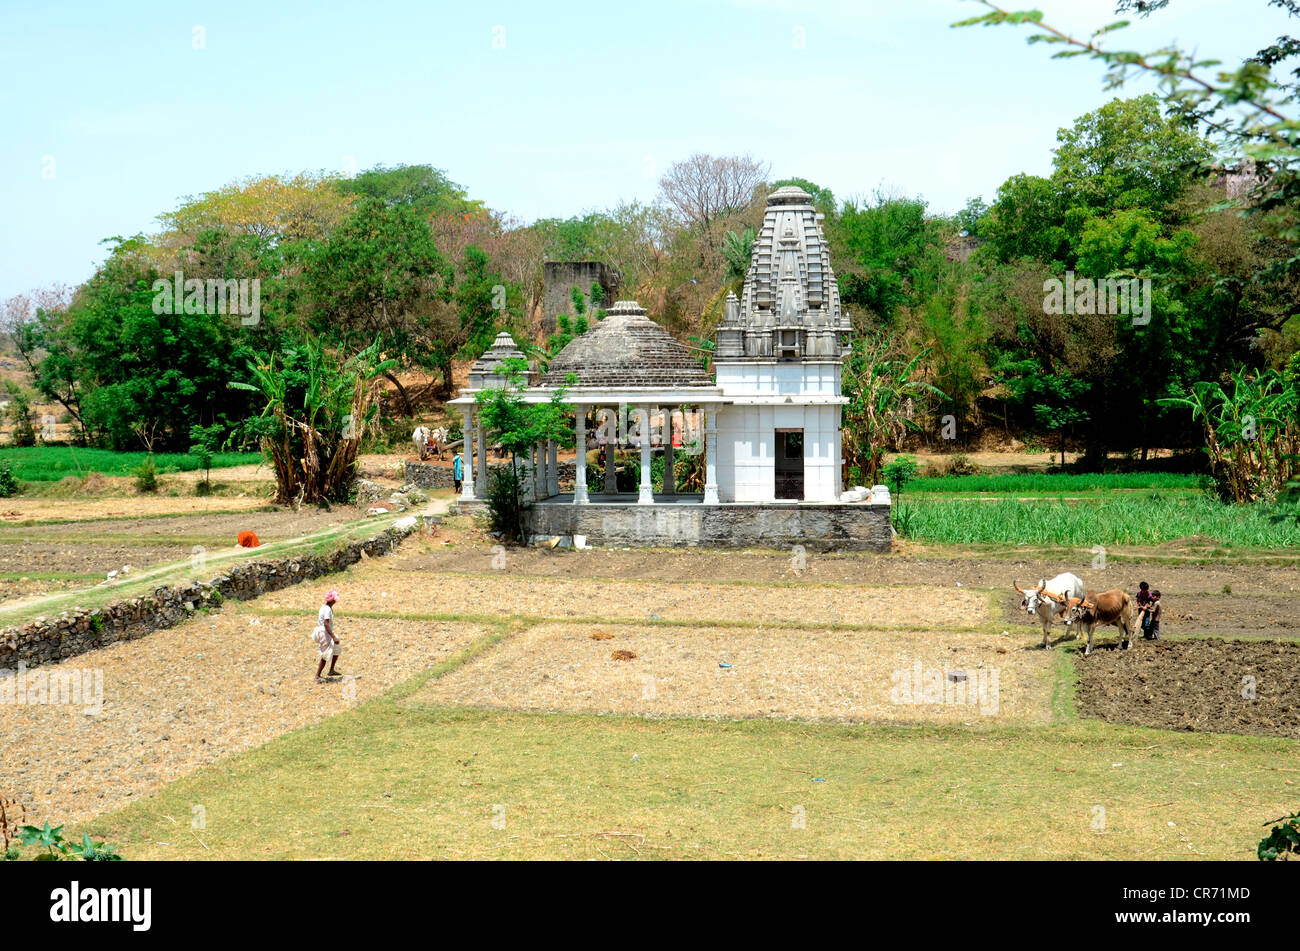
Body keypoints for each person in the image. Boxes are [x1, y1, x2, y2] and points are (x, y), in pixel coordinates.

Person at [312, 590, 341, 682]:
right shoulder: (327, 609)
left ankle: (331, 670)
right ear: (332, 600)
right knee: (326, 654)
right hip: (325, 632)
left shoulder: (324, 607)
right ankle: (317, 675)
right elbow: (326, 623)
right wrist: (333, 636)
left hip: (326, 631)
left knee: (337, 648)